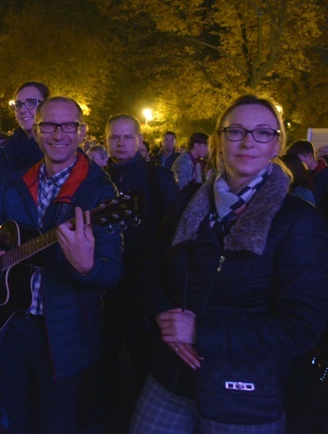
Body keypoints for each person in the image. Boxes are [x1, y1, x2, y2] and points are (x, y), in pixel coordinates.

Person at [129, 95, 328, 433]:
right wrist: (160, 314)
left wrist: (200, 332)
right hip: (173, 376)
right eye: (236, 131)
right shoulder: (187, 202)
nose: (249, 141)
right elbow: (149, 270)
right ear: (219, 140)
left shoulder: (297, 221)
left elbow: (302, 325)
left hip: (246, 390)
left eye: (263, 133)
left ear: (275, 145)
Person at [0, 96, 123, 433]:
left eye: (68, 125)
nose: (58, 134)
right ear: (36, 131)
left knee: (56, 424)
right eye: (48, 126)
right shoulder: (14, 184)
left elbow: (112, 271)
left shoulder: (98, 192)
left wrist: (87, 267)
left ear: (82, 131)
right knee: (17, 420)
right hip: (11, 325)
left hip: (64, 336)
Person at [103, 114, 178, 407]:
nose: (120, 143)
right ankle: (109, 405)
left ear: (139, 141)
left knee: (143, 348)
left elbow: (175, 229)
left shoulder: (157, 178)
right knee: (105, 345)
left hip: (144, 280)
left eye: (126, 137)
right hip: (106, 280)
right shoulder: (97, 179)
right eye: (114, 137)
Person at [0, 82, 49, 203]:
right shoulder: (2, 152)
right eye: (18, 104)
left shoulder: (57, 153)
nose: (22, 109)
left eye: (31, 103)